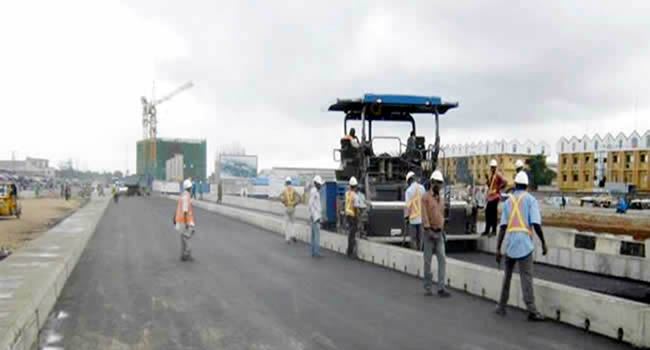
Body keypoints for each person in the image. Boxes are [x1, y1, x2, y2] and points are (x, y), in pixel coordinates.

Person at [495, 172, 547, 321]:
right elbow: (536, 224)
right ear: (527, 186)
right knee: (526, 278)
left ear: (515, 185)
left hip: (511, 244)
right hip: (525, 244)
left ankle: (501, 306)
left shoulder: (507, 202)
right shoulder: (531, 200)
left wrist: (498, 249)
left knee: (507, 277)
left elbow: (503, 227)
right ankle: (532, 310)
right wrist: (543, 242)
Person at [421, 170, 451, 297]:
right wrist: (428, 230)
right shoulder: (425, 198)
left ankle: (441, 287)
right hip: (429, 233)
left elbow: (441, 216)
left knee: (442, 260)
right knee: (427, 262)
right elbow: (424, 215)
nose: (439, 185)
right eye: (437, 183)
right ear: (432, 182)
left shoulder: (441, 199)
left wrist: (442, 230)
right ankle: (428, 287)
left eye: (440, 183)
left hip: (439, 234)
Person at [174, 179, 196, 261]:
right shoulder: (186, 196)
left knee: (183, 239)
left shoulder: (182, 195)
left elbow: (179, 208)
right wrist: (187, 223)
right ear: (189, 188)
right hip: (185, 221)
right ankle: (187, 254)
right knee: (187, 238)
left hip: (180, 221)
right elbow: (185, 210)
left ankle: (183, 255)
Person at [483, 159, 506, 236]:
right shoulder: (491, 176)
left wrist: (498, 189)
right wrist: (487, 179)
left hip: (495, 197)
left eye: (493, 167)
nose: (492, 168)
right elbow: (490, 186)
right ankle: (487, 230)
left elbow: (505, 182)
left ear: (495, 167)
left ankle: (493, 231)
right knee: (488, 213)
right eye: (491, 167)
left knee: (493, 214)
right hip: (490, 197)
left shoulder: (498, 175)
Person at [404, 171, 426, 250]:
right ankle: (420, 253)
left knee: (413, 239)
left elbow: (407, 206)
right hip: (421, 218)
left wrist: (406, 217)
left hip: (413, 219)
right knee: (420, 238)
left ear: (409, 181)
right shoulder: (422, 188)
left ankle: (414, 254)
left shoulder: (408, 191)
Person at [345, 176, 361, 257]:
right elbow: (356, 208)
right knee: (352, 234)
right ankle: (350, 252)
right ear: (355, 186)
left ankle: (349, 250)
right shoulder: (355, 196)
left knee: (350, 233)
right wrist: (358, 218)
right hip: (353, 216)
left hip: (347, 215)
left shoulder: (347, 194)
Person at [280, 177, 299, 243]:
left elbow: (281, 198)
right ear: (291, 182)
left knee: (287, 224)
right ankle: (293, 235)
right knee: (293, 223)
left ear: (286, 182)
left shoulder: (284, 190)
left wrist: (284, 203)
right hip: (292, 208)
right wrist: (294, 204)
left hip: (286, 208)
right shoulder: (293, 190)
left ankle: (287, 239)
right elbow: (298, 198)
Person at [309, 176, 324, 257]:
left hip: (315, 216)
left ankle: (313, 252)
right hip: (315, 217)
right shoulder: (314, 192)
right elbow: (310, 204)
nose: (320, 185)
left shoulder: (315, 191)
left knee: (313, 235)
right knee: (316, 235)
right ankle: (316, 252)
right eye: (319, 184)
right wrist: (315, 217)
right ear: (315, 183)